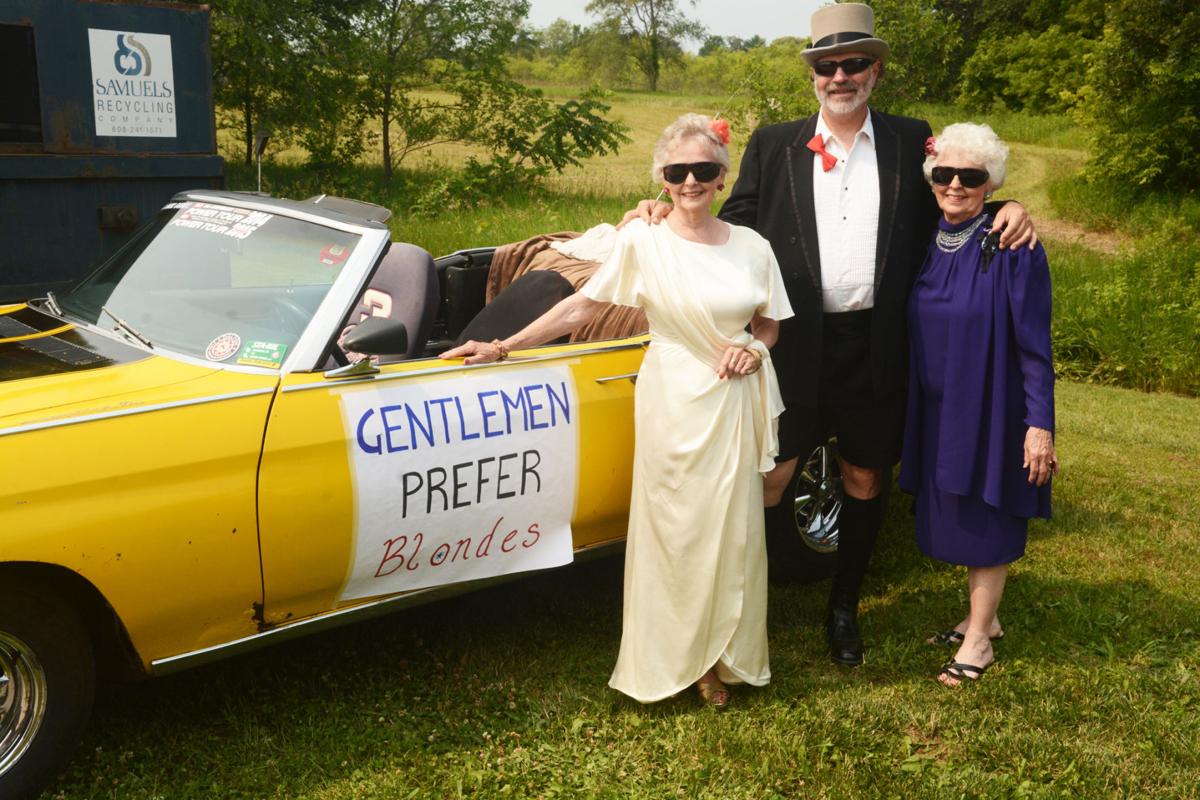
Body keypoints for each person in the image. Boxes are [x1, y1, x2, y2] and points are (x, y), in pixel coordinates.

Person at [628, 3, 1037, 667]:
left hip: (876, 343)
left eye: (853, 63)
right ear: (813, 75)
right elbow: (724, 223)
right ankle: (747, 605)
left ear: (876, 71)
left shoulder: (910, 140)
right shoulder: (774, 144)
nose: (840, 76)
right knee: (771, 475)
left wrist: (1006, 205)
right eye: (827, 65)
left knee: (864, 475)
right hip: (793, 342)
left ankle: (843, 608)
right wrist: (661, 209)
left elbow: (953, 196)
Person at [442, 114, 794, 709]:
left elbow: (769, 323)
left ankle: (721, 657)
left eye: (702, 169)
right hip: (672, 397)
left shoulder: (753, 247)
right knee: (674, 527)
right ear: (661, 177)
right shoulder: (643, 241)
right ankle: (676, 658)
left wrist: (754, 351)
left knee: (731, 528)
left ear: (722, 176)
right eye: (677, 171)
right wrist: (502, 346)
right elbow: (581, 307)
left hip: (733, 400)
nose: (689, 181)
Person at [899, 123, 1057, 685]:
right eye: (945, 174)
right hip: (939, 406)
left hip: (992, 402)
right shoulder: (927, 238)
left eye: (972, 176)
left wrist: (1039, 425)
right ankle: (980, 619)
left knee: (988, 512)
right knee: (958, 510)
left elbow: (1035, 345)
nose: (956, 185)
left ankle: (978, 641)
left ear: (991, 183)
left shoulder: (1011, 245)